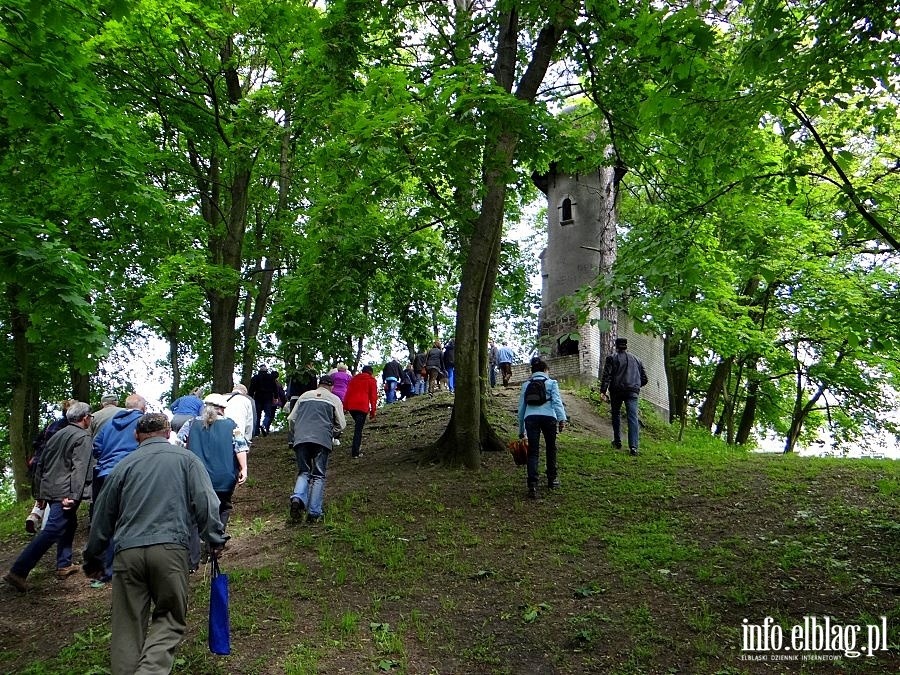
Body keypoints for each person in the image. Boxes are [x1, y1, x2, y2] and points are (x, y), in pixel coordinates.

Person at [83, 413, 228, 675]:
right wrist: (215, 539)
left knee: (126, 625)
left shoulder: (123, 466)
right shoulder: (187, 460)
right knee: (170, 617)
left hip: (127, 554)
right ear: (168, 433)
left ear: (136, 436)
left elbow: (102, 516)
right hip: (170, 550)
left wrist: (93, 558)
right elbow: (206, 502)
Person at [4, 401, 94, 592]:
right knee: (52, 530)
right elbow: (80, 469)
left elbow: (40, 463)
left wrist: (40, 493)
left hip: (51, 488)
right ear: (85, 418)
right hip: (65, 491)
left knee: (70, 524)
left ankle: (64, 564)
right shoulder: (82, 437)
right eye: (90, 417)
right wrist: (73, 496)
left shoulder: (57, 434)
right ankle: (18, 571)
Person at [177, 393, 248, 571]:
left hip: (196, 477)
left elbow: (177, 445)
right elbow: (240, 447)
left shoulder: (191, 424)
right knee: (222, 507)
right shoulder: (231, 425)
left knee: (192, 516)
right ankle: (215, 545)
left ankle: (191, 562)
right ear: (222, 409)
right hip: (224, 477)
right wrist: (243, 468)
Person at [90, 393, 148, 584]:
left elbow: (96, 448)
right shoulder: (143, 423)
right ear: (142, 408)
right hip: (130, 473)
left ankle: (106, 570)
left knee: (108, 520)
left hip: (105, 474)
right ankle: (131, 566)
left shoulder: (110, 424)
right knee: (132, 518)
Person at [287, 374, 346, 522]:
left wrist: (296, 433)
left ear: (319, 384)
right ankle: (314, 512)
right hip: (322, 439)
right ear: (331, 387)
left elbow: (291, 419)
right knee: (318, 475)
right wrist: (332, 433)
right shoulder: (333, 399)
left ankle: (298, 498)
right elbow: (341, 424)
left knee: (304, 472)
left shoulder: (304, 396)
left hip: (301, 438)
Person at [517, 357, 567, 499]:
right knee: (551, 448)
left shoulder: (526, 385)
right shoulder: (552, 383)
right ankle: (552, 479)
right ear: (545, 370)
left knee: (533, 451)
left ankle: (532, 484)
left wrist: (521, 430)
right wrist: (562, 419)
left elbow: (521, 408)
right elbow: (557, 402)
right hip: (549, 418)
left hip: (530, 418)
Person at [599, 337, 649, 456]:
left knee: (616, 414)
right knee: (633, 417)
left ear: (616, 346)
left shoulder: (611, 358)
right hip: (632, 391)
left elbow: (607, 376)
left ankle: (617, 441)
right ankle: (634, 447)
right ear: (626, 346)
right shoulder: (637, 360)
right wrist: (635, 385)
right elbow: (645, 379)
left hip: (616, 390)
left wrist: (603, 391)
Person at [343, 365, 378, 459]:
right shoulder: (371, 380)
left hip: (352, 407)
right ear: (371, 372)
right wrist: (373, 412)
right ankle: (355, 452)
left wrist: (345, 406)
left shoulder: (354, 379)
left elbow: (348, 392)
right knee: (358, 430)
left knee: (358, 428)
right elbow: (373, 397)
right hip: (362, 407)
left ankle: (356, 447)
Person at [248, 364, 278, 436]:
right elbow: (275, 388)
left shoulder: (255, 378)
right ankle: (264, 424)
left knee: (257, 415)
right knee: (268, 414)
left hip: (258, 397)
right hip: (268, 398)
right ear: (266, 370)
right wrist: (276, 397)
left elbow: (251, 389)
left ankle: (256, 432)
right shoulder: (271, 378)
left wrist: (250, 397)